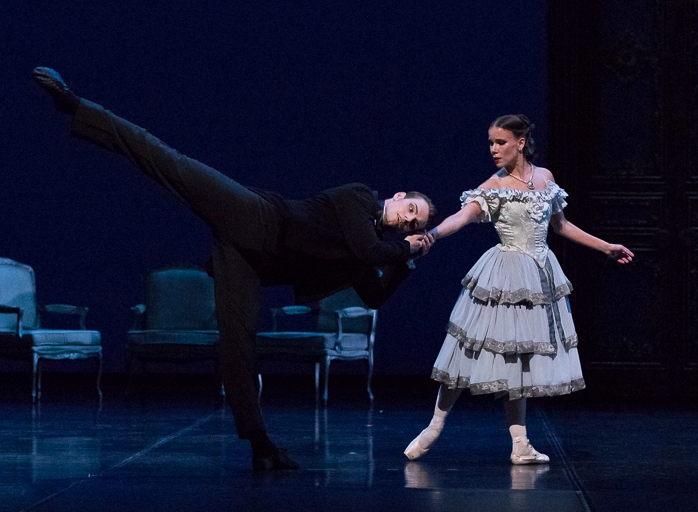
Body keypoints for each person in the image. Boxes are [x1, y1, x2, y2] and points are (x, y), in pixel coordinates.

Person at [31, 67, 436, 471]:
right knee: (170, 162)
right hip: (253, 216)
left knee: (240, 344)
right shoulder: (360, 199)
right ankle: (75, 105)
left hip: (249, 260)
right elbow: (370, 248)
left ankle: (259, 444)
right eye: (410, 210)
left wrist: (405, 264)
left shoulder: (366, 254)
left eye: (415, 224)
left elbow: (375, 296)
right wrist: (404, 250)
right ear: (399, 197)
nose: (408, 221)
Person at [404, 114, 633, 465]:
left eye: (501, 142)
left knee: (518, 355)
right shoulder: (493, 186)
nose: (494, 149)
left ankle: (520, 443)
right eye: (491, 143)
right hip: (503, 275)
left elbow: (562, 225)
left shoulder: (545, 178)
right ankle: (434, 426)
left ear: (520, 143)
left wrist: (606, 247)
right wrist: (432, 235)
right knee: (468, 348)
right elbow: (461, 217)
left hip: (538, 276)